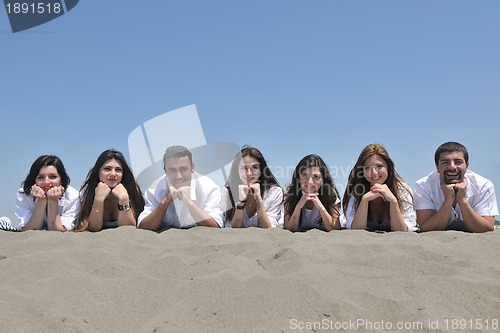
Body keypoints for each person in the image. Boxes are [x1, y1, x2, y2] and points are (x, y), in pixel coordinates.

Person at [414, 141, 498, 232]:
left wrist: (463, 201)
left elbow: (487, 229)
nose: (452, 167)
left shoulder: (484, 186)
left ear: (467, 166)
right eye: (445, 162)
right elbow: (426, 229)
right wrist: (448, 201)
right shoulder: (424, 186)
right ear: (437, 167)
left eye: (458, 162)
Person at [138, 145, 223, 231]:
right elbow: (144, 226)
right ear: (165, 171)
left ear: (192, 168)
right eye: (172, 170)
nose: (178, 177)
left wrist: (189, 203)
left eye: (183, 169)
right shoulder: (155, 189)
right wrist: (165, 203)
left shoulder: (208, 187)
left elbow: (216, 225)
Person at [343, 144, 416, 232]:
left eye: (379, 166)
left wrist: (393, 202)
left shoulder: (402, 190)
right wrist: (365, 200)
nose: (374, 173)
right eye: (367, 168)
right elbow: (355, 231)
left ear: (388, 167)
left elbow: (403, 231)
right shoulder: (356, 190)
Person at [76, 149, 145, 232]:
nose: (113, 174)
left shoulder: (131, 190)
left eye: (118, 170)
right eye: (107, 169)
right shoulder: (88, 190)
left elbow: (128, 227)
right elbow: (93, 228)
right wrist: (98, 199)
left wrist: (123, 199)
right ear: (98, 172)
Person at [222, 145, 283, 228]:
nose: (249, 173)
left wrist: (258, 200)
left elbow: (269, 228)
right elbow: (231, 228)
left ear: (261, 170)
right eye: (244, 168)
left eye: (255, 167)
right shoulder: (228, 192)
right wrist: (241, 203)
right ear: (237, 171)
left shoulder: (274, 191)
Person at [15, 155, 80, 231]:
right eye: (40, 177)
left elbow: (59, 231)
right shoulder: (23, 194)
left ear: (61, 179)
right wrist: (41, 201)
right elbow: (29, 230)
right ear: (34, 180)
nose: (46, 182)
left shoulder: (73, 196)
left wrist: (53, 200)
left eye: (53, 177)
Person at [284, 154, 341, 232]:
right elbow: (289, 229)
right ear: (298, 179)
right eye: (304, 175)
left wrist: (321, 207)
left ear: (323, 180)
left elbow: (335, 228)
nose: (310, 182)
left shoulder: (330, 194)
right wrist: (298, 207)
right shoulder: (290, 194)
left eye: (316, 177)